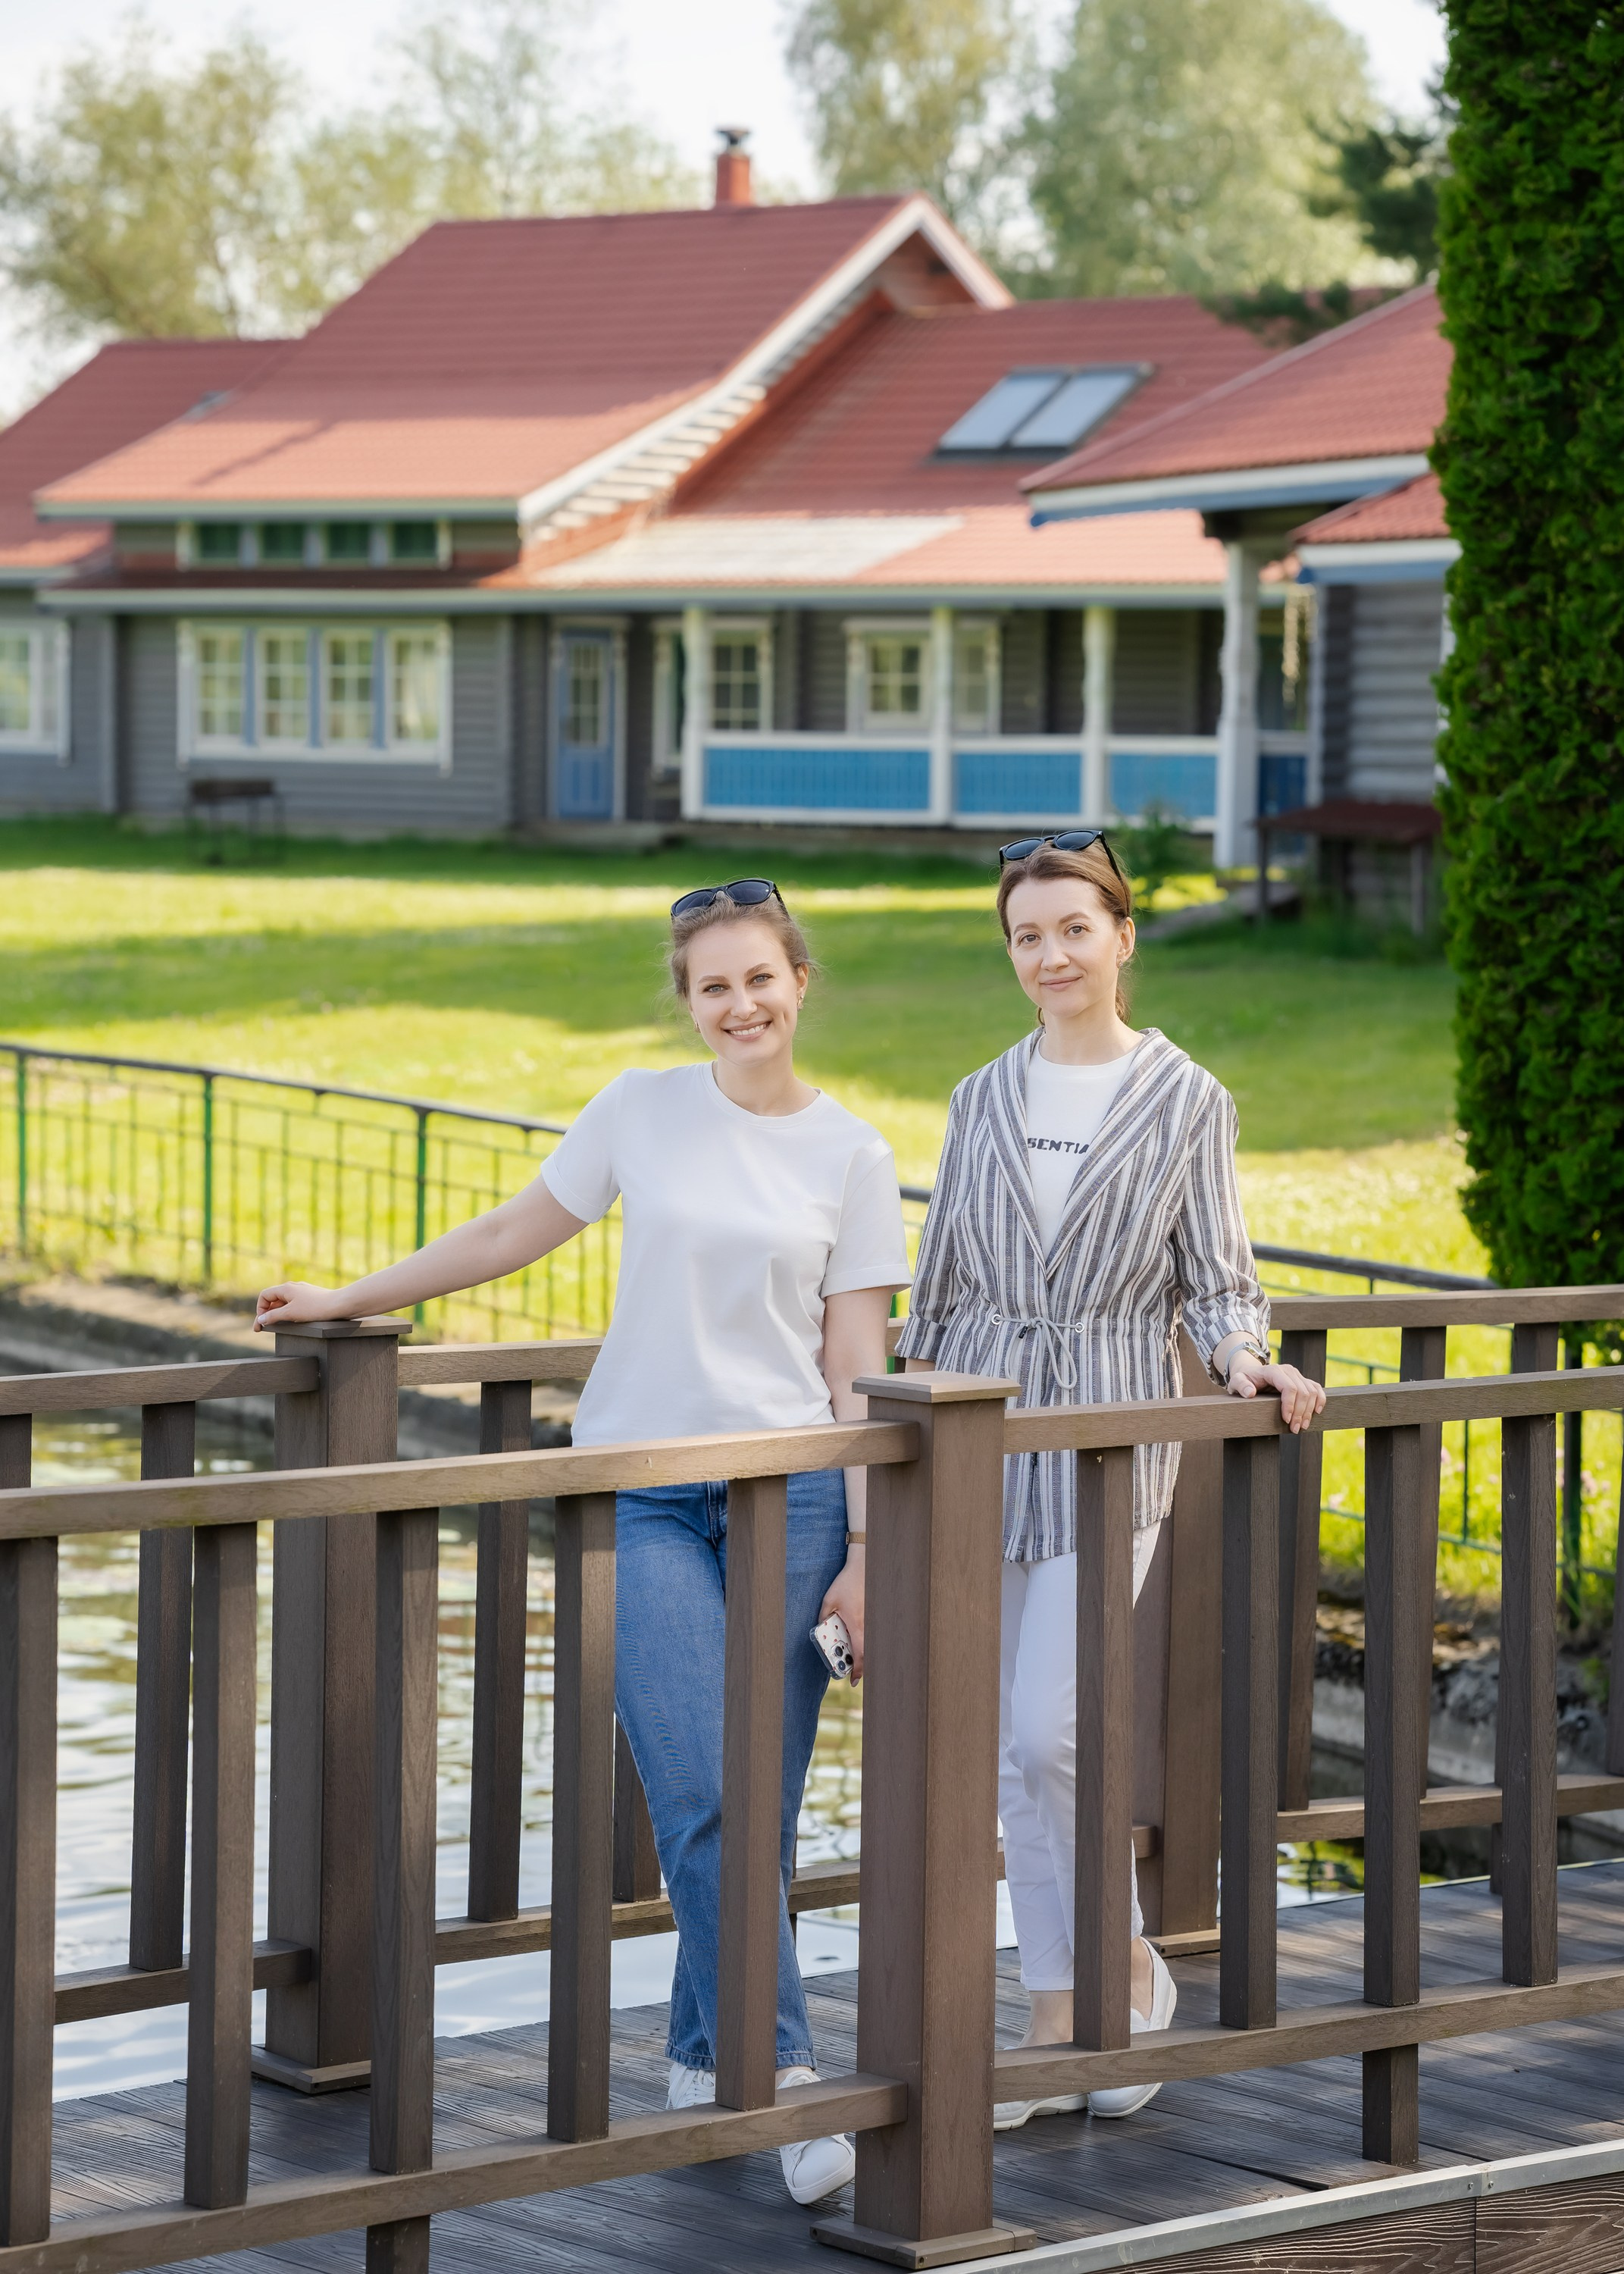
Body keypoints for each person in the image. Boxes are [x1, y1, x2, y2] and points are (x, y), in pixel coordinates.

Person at [255, 878, 909, 2206]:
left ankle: (692, 2051)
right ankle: (781, 2087)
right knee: (704, 1795)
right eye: (712, 985)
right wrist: (350, 1300)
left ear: (800, 983)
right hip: (646, 1495)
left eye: (760, 980)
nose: (740, 1005)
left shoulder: (853, 1152)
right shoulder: (637, 1110)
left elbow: (856, 1363)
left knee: (759, 1814)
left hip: (795, 1498)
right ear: (688, 1000)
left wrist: (867, 1552)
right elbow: (512, 1232)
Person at [893, 832, 1325, 2128]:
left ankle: (1122, 1967)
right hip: (977, 1433)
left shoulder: (1186, 1096)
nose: (1050, 957)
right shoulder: (980, 1095)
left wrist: (1250, 1361)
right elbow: (949, 1276)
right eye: (1027, 935)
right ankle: (1053, 2009)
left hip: (1108, 1441)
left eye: (1074, 929)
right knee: (995, 1747)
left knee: (1049, 1728)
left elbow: (1219, 1270)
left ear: (1123, 937)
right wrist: (902, 1402)